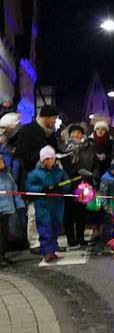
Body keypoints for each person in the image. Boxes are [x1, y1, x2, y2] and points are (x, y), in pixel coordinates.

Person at [10, 104, 60, 254]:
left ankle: (47, 240)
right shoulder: (28, 130)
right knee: (34, 211)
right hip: (33, 176)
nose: (54, 122)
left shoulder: (50, 133)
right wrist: (42, 159)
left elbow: (55, 149)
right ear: (45, 117)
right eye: (53, 119)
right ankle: (34, 242)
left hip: (49, 177)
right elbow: (23, 154)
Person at [25, 145, 70, 262]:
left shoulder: (59, 172)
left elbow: (67, 183)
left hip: (57, 204)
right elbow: (29, 187)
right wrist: (43, 188)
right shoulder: (35, 173)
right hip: (43, 204)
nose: (51, 161)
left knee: (56, 227)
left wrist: (61, 188)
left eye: (52, 159)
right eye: (48, 159)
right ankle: (47, 251)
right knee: (45, 227)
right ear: (43, 160)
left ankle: (53, 249)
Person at [61, 123, 97, 246]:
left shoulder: (89, 147)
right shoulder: (63, 147)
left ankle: (81, 237)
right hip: (68, 182)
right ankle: (71, 237)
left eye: (79, 132)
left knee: (81, 211)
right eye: (73, 132)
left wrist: (92, 176)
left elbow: (94, 162)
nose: (76, 135)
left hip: (84, 181)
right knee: (68, 212)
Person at [0, 154, 24, 265]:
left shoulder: (8, 176)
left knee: (5, 235)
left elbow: (15, 192)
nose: (1, 162)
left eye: (1, 159)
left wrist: (20, 205)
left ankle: (2, 255)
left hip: (7, 209)